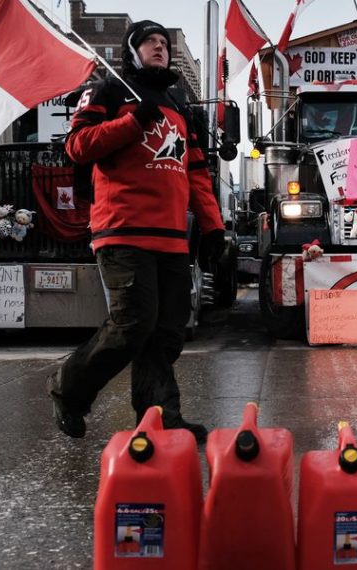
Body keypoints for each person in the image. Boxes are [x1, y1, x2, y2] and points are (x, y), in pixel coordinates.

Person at [48, 21, 225, 441]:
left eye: (164, 43)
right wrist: (131, 123)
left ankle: (160, 418)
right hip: (122, 229)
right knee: (133, 325)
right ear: (133, 50)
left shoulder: (179, 104)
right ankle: (68, 390)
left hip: (171, 237)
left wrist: (214, 227)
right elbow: (77, 146)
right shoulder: (109, 90)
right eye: (151, 42)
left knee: (166, 332)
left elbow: (196, 173)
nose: (160, 48)